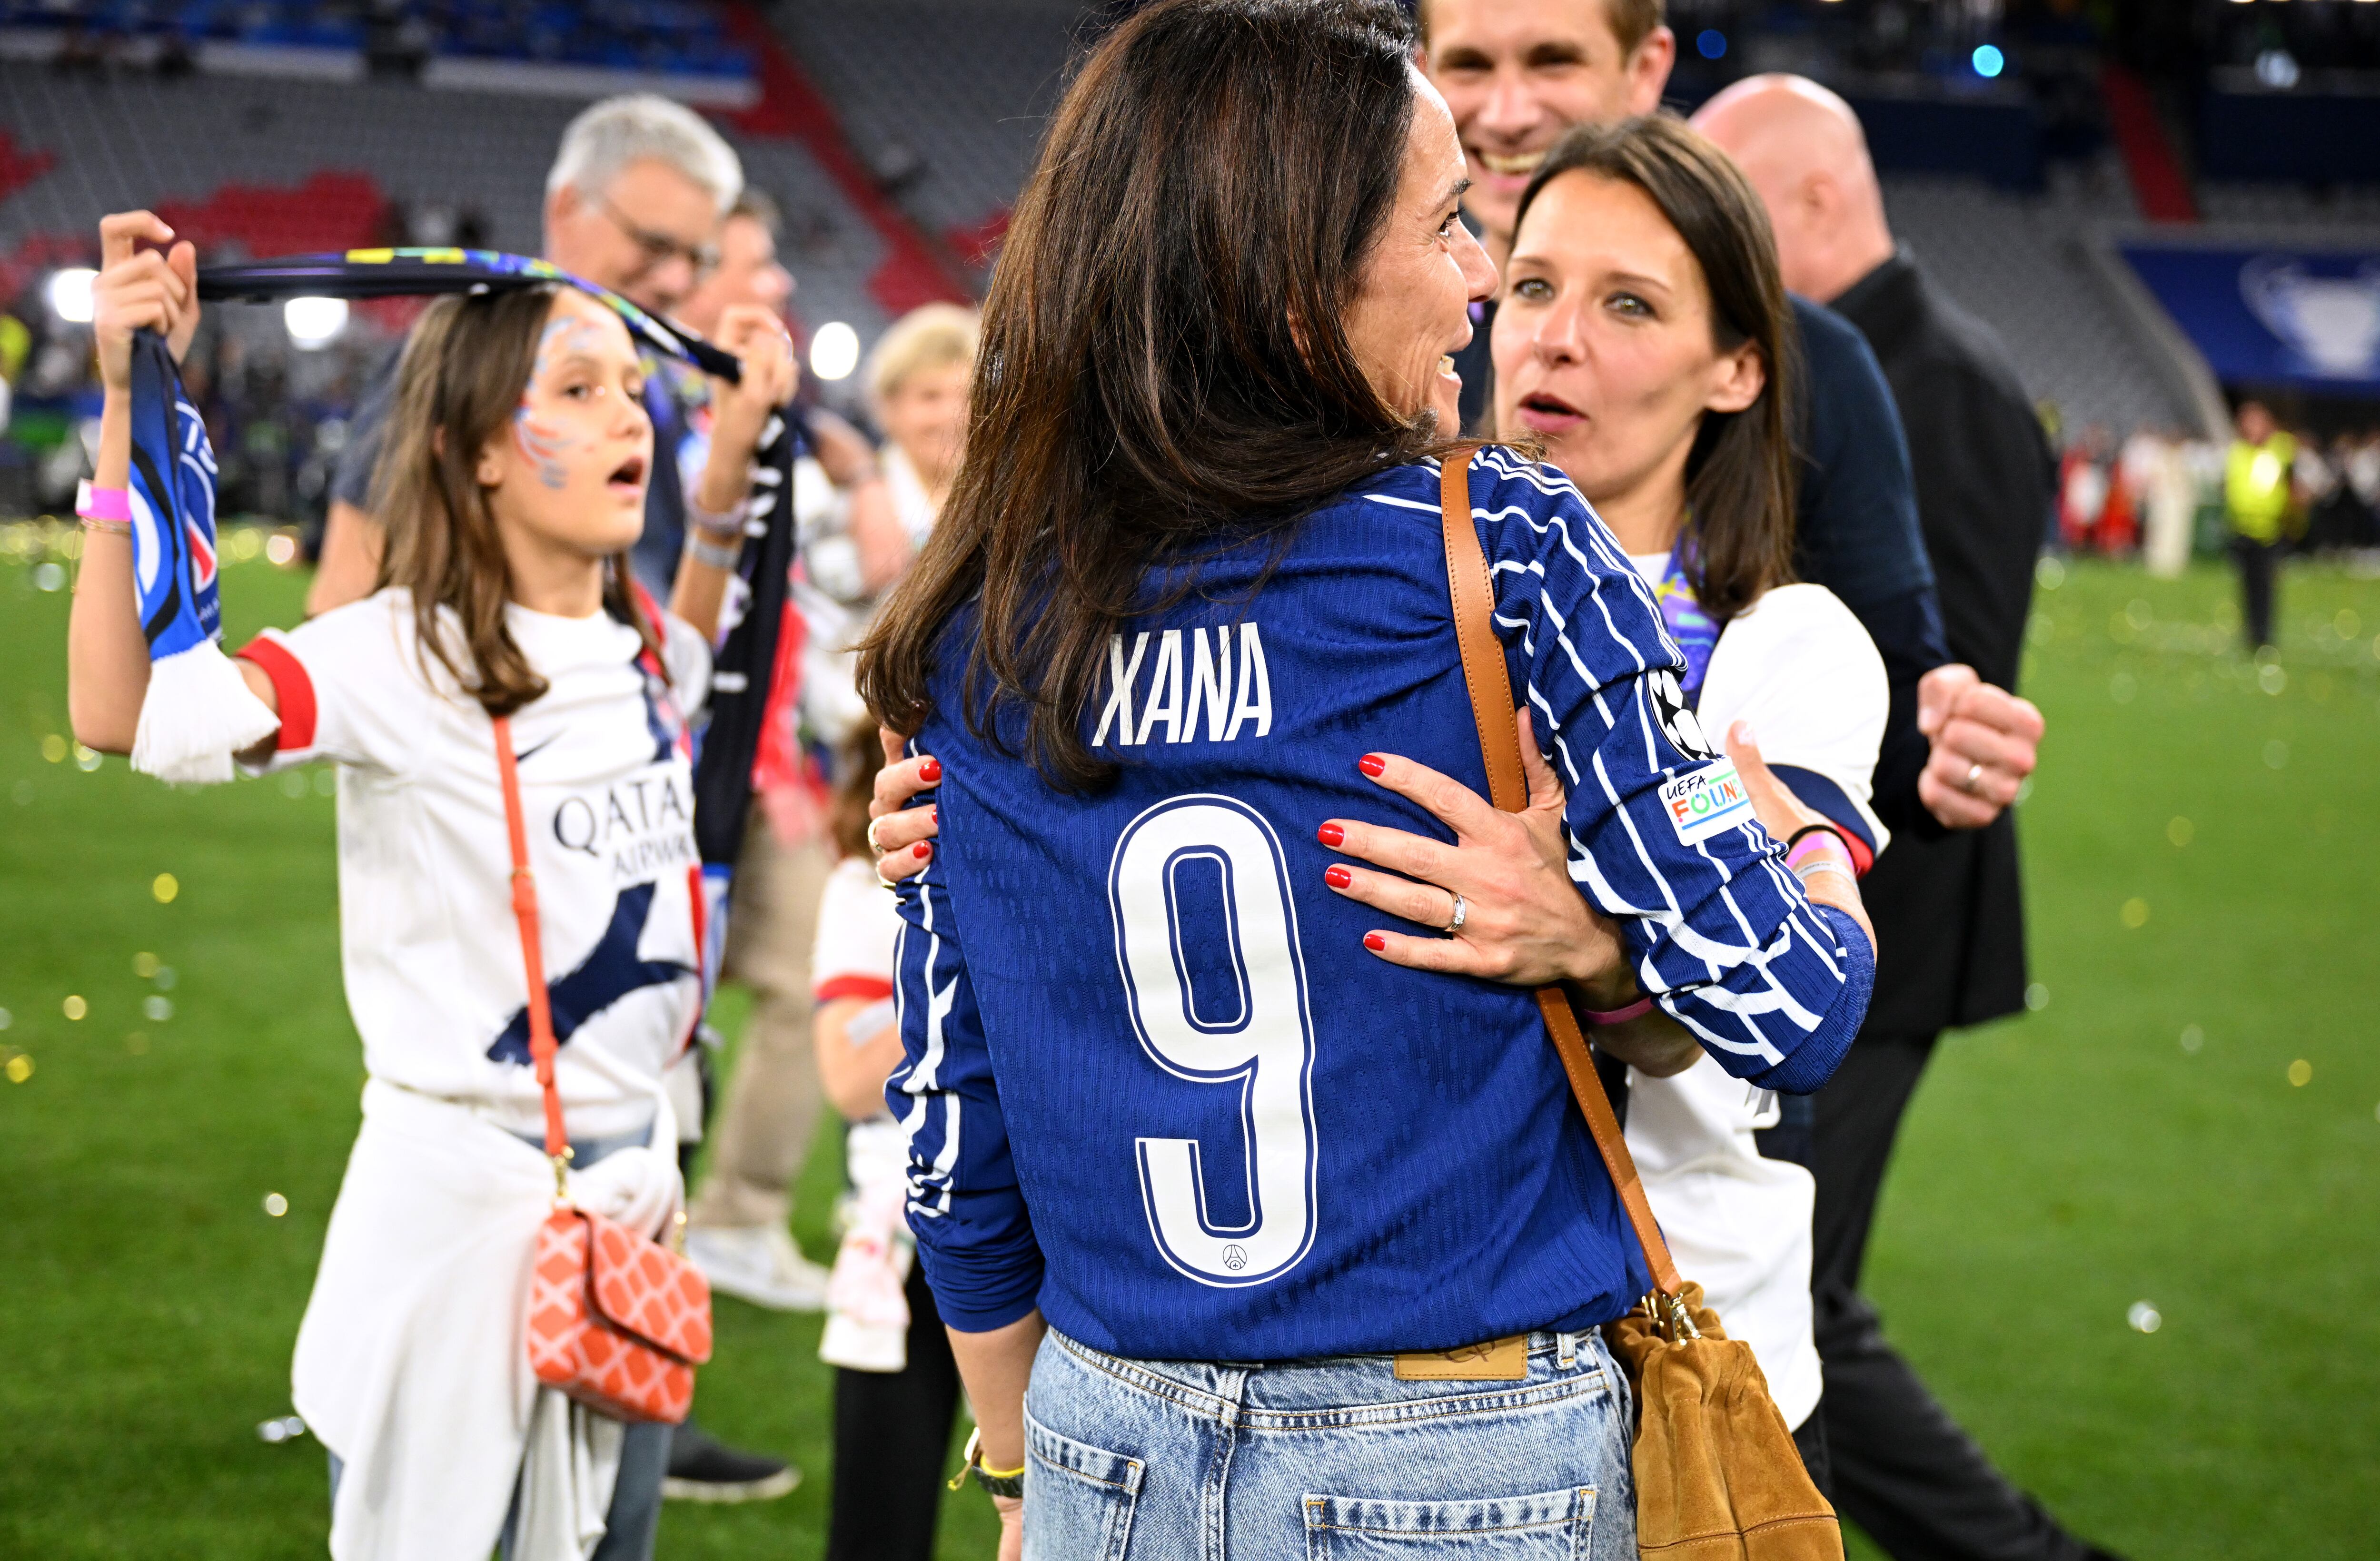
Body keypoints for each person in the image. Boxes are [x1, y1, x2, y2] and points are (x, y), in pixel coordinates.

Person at [854, 5, 1875, 1558]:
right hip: (1457, 1445)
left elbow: (953, 1140)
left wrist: (1015, 1475)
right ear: (1291, 289)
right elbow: (1790, 1007)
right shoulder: (1503, 540)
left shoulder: (977, 614)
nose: (1482, 281)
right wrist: (1801, 848)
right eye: (1451, 225)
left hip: (1103, 1445)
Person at [67, 211, 791, 1560]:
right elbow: (124, 713)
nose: (627, 414)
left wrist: (738, 457)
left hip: (631, 1216)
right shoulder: (396, 654)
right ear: (475, 450)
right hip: (459, 1231)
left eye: (630, 387)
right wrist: (126, 405)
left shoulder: (632, 642)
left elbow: (684, 673)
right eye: (576, 389)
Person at [1693, 75, 2117, 1561]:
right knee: (1778, 1293)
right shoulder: (1847, 357)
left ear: (1813, 196)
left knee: (1794, 1303)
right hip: (1809, 902)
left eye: (1729, 201)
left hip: (1877, 921)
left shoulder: (1938, 378)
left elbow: (1951, 691)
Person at [1422, 0, 2042, 860]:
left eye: (1553, 60)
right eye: (1532, 288)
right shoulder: (1362, 349)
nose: (1509, 109)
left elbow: (1862, 743)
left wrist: (1936, 749)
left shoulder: (1788, 634)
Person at [309, 94, 759, 616]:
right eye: (654, 245)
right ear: (566, 208)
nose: (676, 281)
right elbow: (345, 598)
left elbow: (669, 635)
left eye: (697, 258)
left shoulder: (654, 383)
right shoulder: (463, 358)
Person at [807, 732, 967, 1561]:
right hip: (908, 1222)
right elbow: (848, 1078)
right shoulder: (860, 886)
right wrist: (979, 965)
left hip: (1058, 1214)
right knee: (880, 1518)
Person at [2223, 401, 2296, 652]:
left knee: (2266, 586)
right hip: (2242, 529)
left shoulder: (2277, 451)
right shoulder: (2238, 452)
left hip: (2269, 531)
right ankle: (2251, 635)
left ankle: (2264, 635)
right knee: (2246, 586)